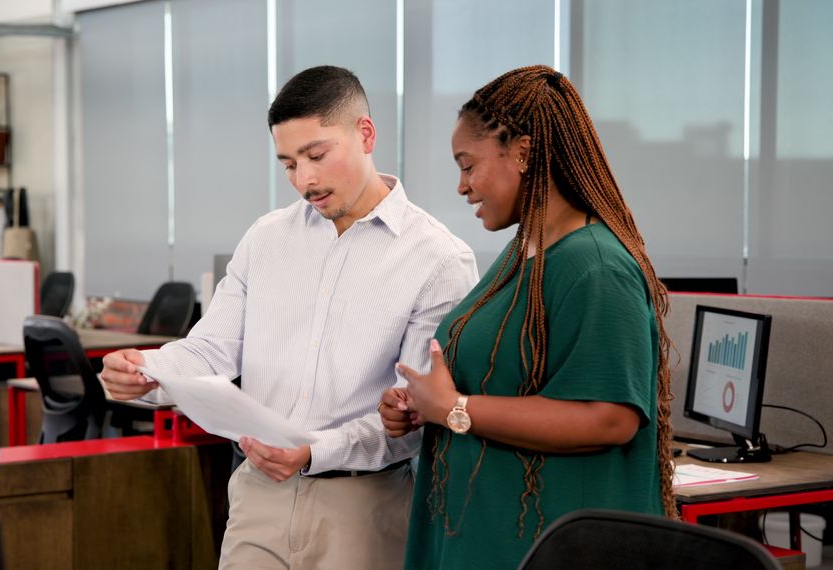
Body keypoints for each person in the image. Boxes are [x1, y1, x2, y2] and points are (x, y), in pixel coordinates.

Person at [100, 65, 479, 568]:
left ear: (365, 134)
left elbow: (413, 418)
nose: (305, 180)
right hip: (258, 499)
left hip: (362, 509)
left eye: (317, 156)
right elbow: (211, 349)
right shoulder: (266, 238)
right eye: (288, 164)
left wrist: (312, 450)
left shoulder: (438, 259)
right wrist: (145, 372)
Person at [378, 65, 676, 569]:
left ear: (522, 152)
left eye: (467, 165)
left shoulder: (596, 267)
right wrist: (422, 404)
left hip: (551, 550)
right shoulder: (526, 251)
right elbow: (502, 380)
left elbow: (611, 418)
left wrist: (455, 407)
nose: (461, 186)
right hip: (486, 536)